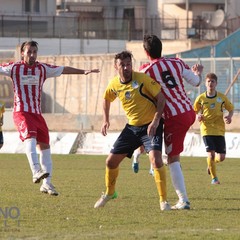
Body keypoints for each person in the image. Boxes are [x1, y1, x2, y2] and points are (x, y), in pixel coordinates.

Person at [0, 40, 100, 196]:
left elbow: (62, 69)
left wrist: (83, 71)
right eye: (29, 52)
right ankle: (35, 171)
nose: (32, 55)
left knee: (45, 147)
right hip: (22, 112)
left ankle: (46, 183)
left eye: (34, 52)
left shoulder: (42, 68)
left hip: (37, 114)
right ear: (22, 53)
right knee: (30, 139)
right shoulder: (14, 68)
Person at [132, 34, 204, 210]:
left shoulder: (146, 70)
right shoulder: (177, 63)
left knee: (173, 159)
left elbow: (132, 89)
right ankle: (180, 196)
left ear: (145, 51)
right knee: (171, 156)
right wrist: (198, 73)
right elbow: (196, 82)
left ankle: (183, 199)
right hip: (188, 111)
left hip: (174, 116)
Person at [94, 50, 171, 211]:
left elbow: (161, 98)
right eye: (123, 65)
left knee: (156, 160)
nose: (127, 68)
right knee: (110, 161)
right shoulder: (114, 84)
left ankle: (163, 201)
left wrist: (156, 120)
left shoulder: (142, 79)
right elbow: (106, 98)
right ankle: (110, 192)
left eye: (129, 64)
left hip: (151, 126)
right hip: (132, 128)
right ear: (116, 67)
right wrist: (106, 120)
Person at [193, 73, 234, 184]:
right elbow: (194, 111)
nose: (210, 83)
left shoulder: (222, 97)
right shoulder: (200, 98)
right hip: (206, 129)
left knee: (221, 157)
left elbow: (231, 109)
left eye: (212, 81)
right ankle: (214, 178)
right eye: (208, 81)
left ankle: (211, 164)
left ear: (216, 83)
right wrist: (198, 116)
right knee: (210, 154)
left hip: (219, 129)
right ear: (205, 83)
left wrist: (229, 117)